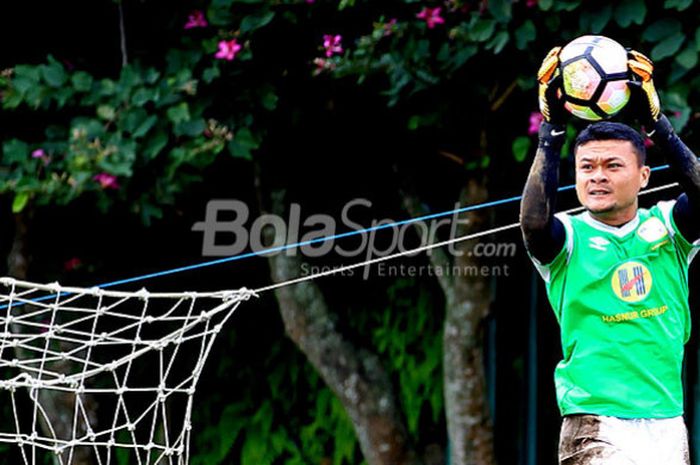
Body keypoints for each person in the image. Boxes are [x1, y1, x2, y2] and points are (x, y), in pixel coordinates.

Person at [520, 46, 700, 465]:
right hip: (595, 422)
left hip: (666, 419)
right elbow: (532, 224)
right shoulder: (566, 237)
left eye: (612, 166)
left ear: (643, 176)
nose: (597, 175)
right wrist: (550, 135)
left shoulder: (670, 227)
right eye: (587, 167)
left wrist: (659, 127)